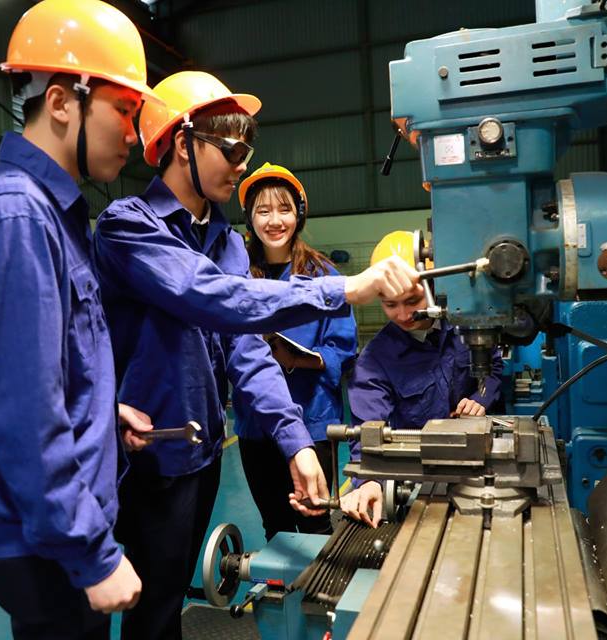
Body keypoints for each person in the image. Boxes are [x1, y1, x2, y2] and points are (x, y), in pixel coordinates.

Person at [93, 71, 422, 639]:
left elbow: (246, 350)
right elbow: (211, 296)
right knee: (143, 609)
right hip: (144, 460)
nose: (242, 165)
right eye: (232, 150)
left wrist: (296, 444)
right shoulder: (127, 227)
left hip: (199, 458)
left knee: (165, 601)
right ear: (182, 144)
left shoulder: (222, 240)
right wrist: (345, 289)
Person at [0, 1, 161, 637]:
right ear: (62, 102)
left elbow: (46, 370)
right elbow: (20, 416)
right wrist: (92, 553)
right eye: (125, 109)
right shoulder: (15, 219)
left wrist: (100, 410)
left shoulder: (52, 215)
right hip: (48, 546)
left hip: (57, 531)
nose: (134, 135)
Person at [340, 231, 505, 527]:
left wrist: (481, 398)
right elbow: (367, 429)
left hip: (476, 465)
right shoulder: (376, 361)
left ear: (434, 286)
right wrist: (370, 481)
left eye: (412, 300)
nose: (404, 314)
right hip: (418, 480)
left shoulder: (466, 327)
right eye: (390, 304)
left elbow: (493, 367)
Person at [233, 163, 358, 540]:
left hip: (312, 419)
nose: (274, 221)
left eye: (284, 209)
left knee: (315, 522)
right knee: (275, 525)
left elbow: (343, 347)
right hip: (256, 426)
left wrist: (299, 358)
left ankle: (319, 582)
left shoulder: (324, 275)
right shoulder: (238, 276)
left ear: (299, 214)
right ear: (250, 218)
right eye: (263, 211)